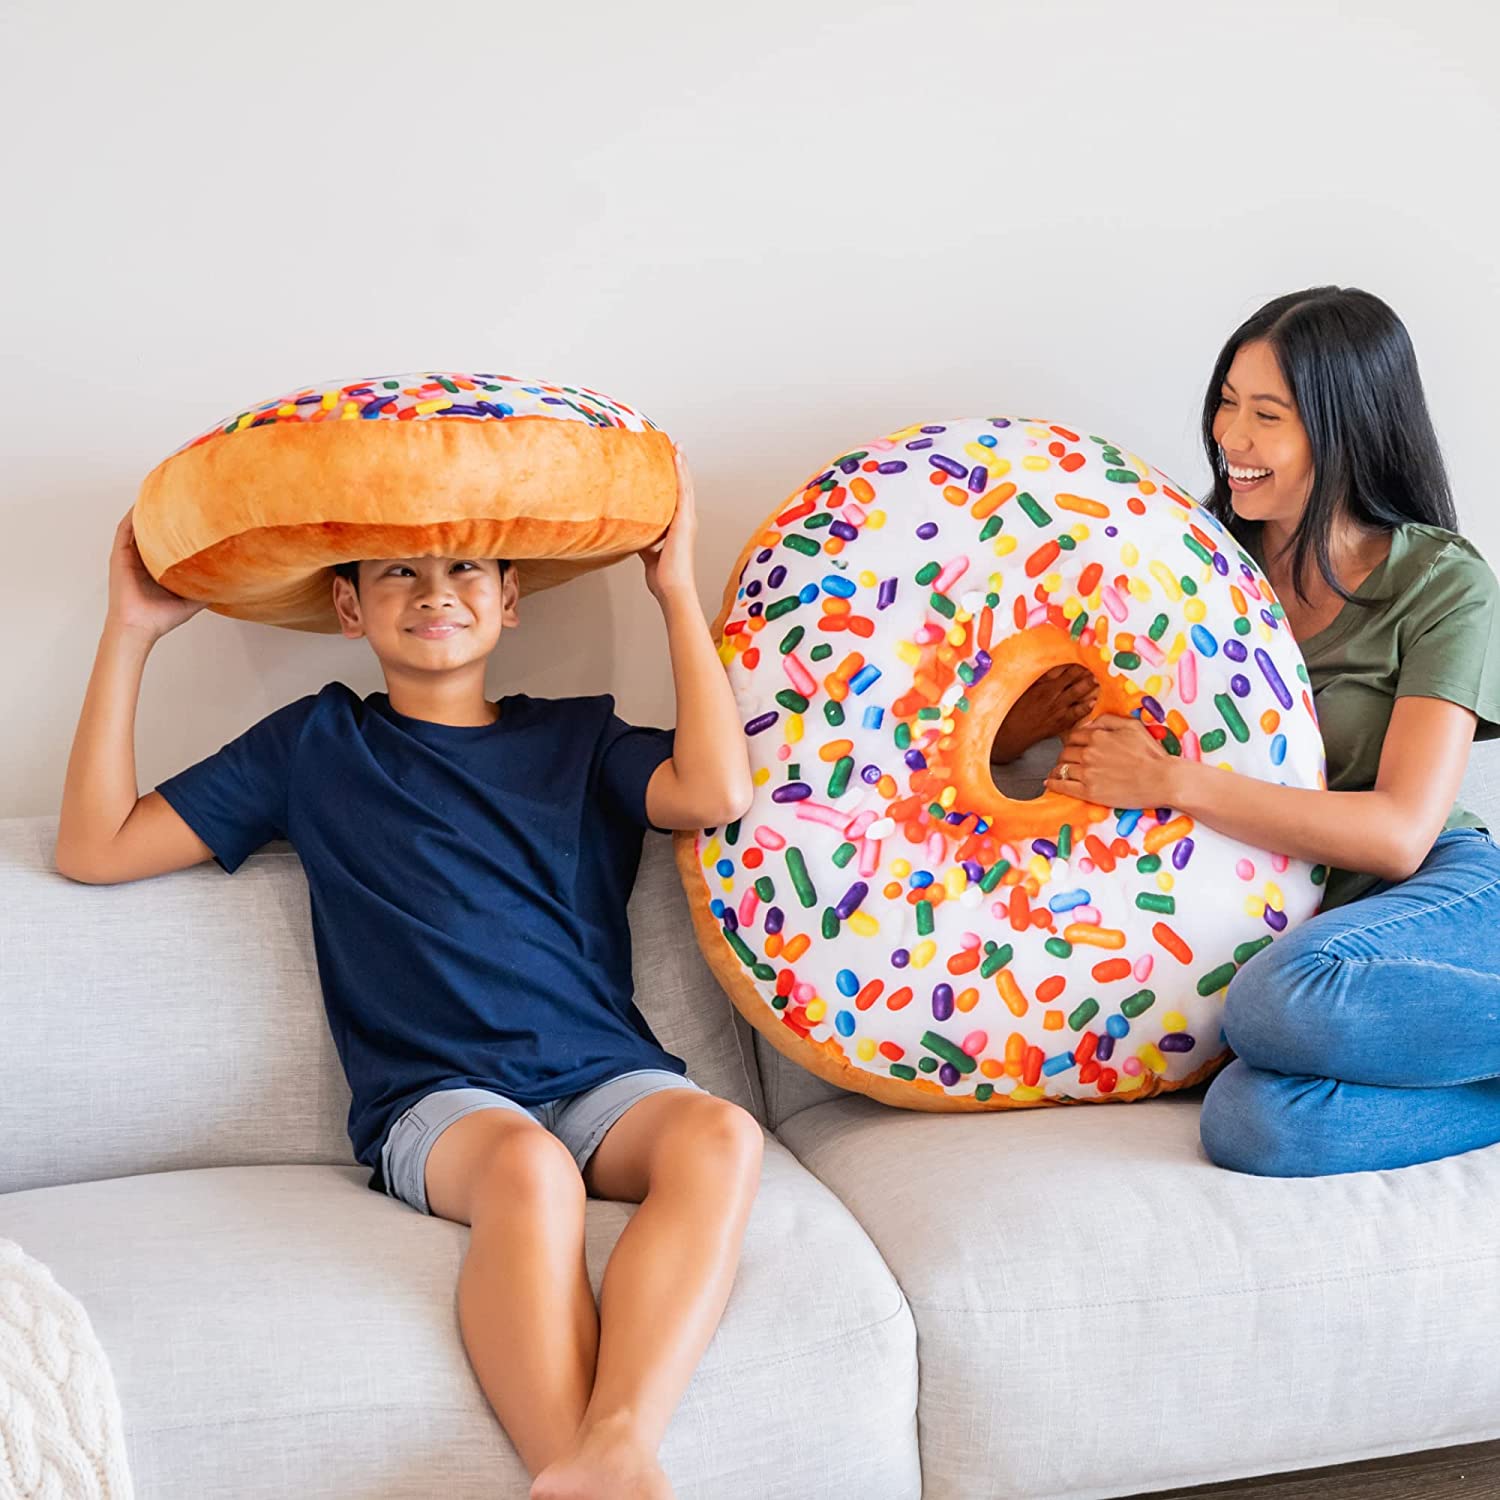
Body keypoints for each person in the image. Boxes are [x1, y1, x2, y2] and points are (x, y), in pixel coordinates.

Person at [54, 448, 762, 1500]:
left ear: (510, 598)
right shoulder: (316, 745)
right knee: (530, 1174)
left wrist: (670, 587)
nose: (436, 593)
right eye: (399, 574)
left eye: (467, 570)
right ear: (349, 608)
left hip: (606, 1079)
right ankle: (581, 1467)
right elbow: (95, 846)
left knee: (722, 1132)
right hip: (440, 1102)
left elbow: (713, 792)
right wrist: (131, 633)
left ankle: (611, 1451)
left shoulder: (574, 736)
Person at [1009, 287, 1500, 1177]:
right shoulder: (1184, 564)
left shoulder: (1442, 582)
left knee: (1273, 1003)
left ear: (1347, 431)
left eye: (1266, 415)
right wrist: (1030, 722)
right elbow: (1016, 734)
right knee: (1246, 1123)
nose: (1230, 437)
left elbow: (1398, 835)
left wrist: (1174, 783)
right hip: (1281, 927)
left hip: (1432, 901)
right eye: (1226, 403)